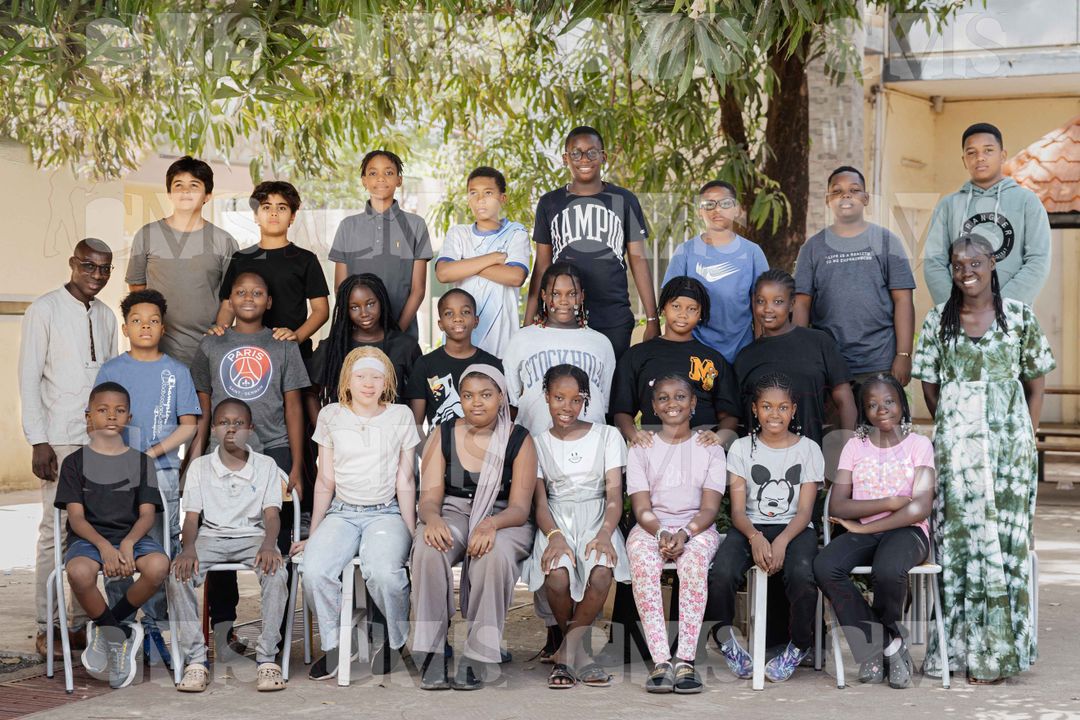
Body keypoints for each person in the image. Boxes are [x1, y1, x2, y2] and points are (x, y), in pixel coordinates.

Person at [912, 233, 1054, 683]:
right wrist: (957, 424)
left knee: (1005, 544)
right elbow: (930, 386)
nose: (966, 271)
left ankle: (998, 654)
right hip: (956, 451)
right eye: (958, 265)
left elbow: (1035, 383)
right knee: (959, 544)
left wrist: (1025, 434)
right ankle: (956, 652)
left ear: (992, 263)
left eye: (975, 262)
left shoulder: (1020, 316)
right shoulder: (937, 319)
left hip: (1010, 450)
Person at [190, 271, 309, 642]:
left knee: (279, 540)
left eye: (257, 292)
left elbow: (294, 407)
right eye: (240, 292)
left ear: (268, 301)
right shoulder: (211, 344)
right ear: (229, 300)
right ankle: (224, 627)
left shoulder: (283, 344)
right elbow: (203, 409)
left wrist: (298, 464)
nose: (248, 298)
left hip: (274, 447)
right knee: (218, 532)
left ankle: (279, 631)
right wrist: (193, 458)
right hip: (220, 453)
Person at [288, 347, 418, 680]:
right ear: (348, 380)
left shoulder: (400, 415)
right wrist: (314, 534)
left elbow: (405, 480)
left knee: (384, 573)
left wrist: (411, 532)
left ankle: (394, 641)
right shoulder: (331, 415)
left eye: (376, 376)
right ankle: (335, 645)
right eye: (360, 376)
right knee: (314, 570)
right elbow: (325, 480)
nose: (368, 383)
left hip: (385, 512)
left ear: (387, 381)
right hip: (342, 512)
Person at [20, 238, 118, 657]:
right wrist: (38, 440)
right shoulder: (43, 310)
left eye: (104, 268)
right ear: (73, 264)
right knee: (55, 531)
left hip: (98, 438)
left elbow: (111, 381)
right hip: (57, 437)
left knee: (90, 527)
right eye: (88, 266)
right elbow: (28, 378)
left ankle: (79, 625)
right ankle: (49, 625)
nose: (96, 275)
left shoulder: (107, 315)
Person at [411, 366, 537, 691]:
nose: (476, 402)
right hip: (452, 512)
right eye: (468, 395)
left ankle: (479, 654)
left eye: (486, 395)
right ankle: (433, 651)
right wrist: (432, 519)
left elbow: (520, 508)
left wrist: (491, 524)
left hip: (503, 517)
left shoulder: (519, 439)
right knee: (428, 548)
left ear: (501, 398)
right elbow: (429, 499)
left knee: (493, 556)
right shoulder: (443, 433)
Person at [95, 289, 199, 667]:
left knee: (160, 547)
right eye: (136, 321)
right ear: (125, 328)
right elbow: (98, 419)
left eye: (153, 321)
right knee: (118, 545)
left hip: (162, 473)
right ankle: (120, 626)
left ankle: (158, 627)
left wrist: (150, 454)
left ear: (163, 328)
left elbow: (188, 425)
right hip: (115, 475)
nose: (145, 327)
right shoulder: (111, 371)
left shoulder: (177, 371)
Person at [814, 374, 935, 690]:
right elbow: (838, 505)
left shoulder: (919, 445)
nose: (882, 409)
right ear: (863, 411)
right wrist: (891, 502)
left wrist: (868, 524)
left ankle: (881, 648)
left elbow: (920, 508)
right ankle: (885, 645)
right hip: (864, 531)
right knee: (825, 566)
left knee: (889, 569)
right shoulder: (855, 447)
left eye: (889, 401)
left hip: (908, 532)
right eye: (872, 404)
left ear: (902, 404)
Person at [706, 372, 824, 684]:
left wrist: (782, 540)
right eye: (767, 406)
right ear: (755, 409)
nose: (775, 414)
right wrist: (755, 536)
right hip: (750, 525)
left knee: (802, 575)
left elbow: (805, 511)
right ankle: (725, 639)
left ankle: (798, 645)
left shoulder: (809, 449)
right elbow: (737, 510)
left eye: (782, 407)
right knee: (721, 573)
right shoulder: (741, 448)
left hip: (795, 527)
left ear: (793, 410)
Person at [169, 398, 289, 693]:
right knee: (177, 575)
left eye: (238, 423)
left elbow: (271, 515)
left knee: (277, 573)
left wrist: (269, 545)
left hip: (253, 537)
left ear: (251, 428)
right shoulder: (200, 467)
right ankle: (196, 660)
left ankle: (267, 658)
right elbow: (192, 518)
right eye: (224, 423)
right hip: (210, 537)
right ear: (213, 429)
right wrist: (188, 548)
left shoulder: (266, 465)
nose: (231, 429)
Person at [522, 365, 629, 689]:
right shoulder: (536, 443)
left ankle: (567, 652)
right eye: (559, 398)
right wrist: (554, 537)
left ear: (586, 400)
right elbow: (540, 503)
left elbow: (614, 496)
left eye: (576, 399)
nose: (567, 407)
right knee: (557, 573)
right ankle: (578, 652)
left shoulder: (607, 435)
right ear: (546, 397)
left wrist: (605, 533)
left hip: (598, 517)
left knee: (601, 570)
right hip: (556, 520)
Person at [55, 382, 169, 689]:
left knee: (158, 566)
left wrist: (128, 542)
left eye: (119, 411)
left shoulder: (141, 462)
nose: (111, 416)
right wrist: (104, 547)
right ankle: (117, 635)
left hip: (133, 537)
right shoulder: (74, 463)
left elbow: (147, 515)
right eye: (102, 410)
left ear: (128, 417)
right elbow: (76, 518)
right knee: (79, 573)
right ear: (88, 416)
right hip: (89, 539)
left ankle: (109, 626)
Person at [624, 375, 725, 694]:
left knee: (693, 563)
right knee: (642, 560)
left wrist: (685, 533)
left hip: (697, 527)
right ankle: (660, 661)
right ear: (653, 407)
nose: (672, 404)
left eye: (680, 396)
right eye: (663, 398)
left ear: (693, 403)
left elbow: (710, 509)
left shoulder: (709, 447)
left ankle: (685, 660)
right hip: (651, 527)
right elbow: (641, 508)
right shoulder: (642, 447)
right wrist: (661, 533)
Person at [526, 126, 659, 358]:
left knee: (610, 378)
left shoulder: (624, 200)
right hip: (562, 316)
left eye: (592, 152)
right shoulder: (550, 202)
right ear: (566, 158)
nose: (584, 159)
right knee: (565, 378)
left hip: (613, 316)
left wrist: (652, 318)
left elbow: (638, 261)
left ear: (603, 156)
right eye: (576, 153)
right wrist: (529, 319)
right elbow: (542, 266)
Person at [793, 166, 916, 386]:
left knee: (881, 410)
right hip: (829, 362)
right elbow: (801, 304)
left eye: (854, 190)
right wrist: (801, 356)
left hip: (880, 360)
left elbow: (903, 300)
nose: (846, 196)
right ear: (828, 200)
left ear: (866, 198)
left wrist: (904, 354)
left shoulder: (888, 241)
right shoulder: (812, 248)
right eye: (837, 191)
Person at [125, 156, 238, 366]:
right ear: (169, 193)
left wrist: (218, 335)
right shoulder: (147, 235)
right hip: (156, 352)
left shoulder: (225, 241)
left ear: (207, 195)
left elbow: (230, 299)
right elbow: (137, 288)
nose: (185, 191)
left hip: (206, 352)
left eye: (194, 185)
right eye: (178, 185)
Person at [923, 122, 1051, 306]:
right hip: (959, 314)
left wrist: (1001, 308)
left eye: (988, 150)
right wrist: (956, 307)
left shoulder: (1027, 202)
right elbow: (933, 261)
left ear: (1003, 155)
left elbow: (1038, 260)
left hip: (1010, 316)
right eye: (971, 152)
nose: (980, 158)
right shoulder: (948, 205)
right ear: (964, 160)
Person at [612, 275, 740, 444]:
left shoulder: (713, 359)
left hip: (702, 451)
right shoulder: (637, 355)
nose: (683, 314)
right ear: (663, 309)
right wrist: (634, 434)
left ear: (701, 314)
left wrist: (719, 437)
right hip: (653, 449)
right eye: (676, 306)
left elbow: (729, 415)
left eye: (692, 309)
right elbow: (621, 411)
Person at [734, 269, 856, 446]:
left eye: (778, 302)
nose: (767, 309)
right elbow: (738, 417)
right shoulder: (745, 357)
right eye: (761, 301)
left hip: (812, 456)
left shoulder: (819, 342)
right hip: (761, 459)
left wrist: (850, 451)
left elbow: (844, 400)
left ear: (792, 304)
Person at [215, 181, 330, 360]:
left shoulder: (306, 259)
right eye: (266, 207)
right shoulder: (240, 259)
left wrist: (296, 337)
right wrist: (221, 335)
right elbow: (228, 307)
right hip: (248, 352)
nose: (274, 213)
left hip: (293, 355)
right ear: (256, 215)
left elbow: (321, 310)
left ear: (292, 217)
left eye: (282, 208)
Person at [328, 150, 433, 339]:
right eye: (373, 173)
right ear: (364, 181)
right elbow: (340, 289)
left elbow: (418, 290)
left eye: (389, 172)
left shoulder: (416, 225)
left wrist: (395, 335)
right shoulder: (348, 226)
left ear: (399, 180)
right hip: (357, 337)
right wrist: (362, 332)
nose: (381, 178)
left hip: (402, 337)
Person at [504, 262, 616, 435]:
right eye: (556, 294)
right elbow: (512, 401)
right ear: (544, 295)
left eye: (572, 294)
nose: (564, 301)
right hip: (534, 441)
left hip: (589, 442)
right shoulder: (522, 339)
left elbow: (605, 401)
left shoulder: (601, 343)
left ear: (582, 296)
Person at [663, 180, 769, 364]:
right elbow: (670, 304)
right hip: (695, 354)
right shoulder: (685, 252)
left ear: (737, 209)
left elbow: (760, 304)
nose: (717, 209)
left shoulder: (752, 252)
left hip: (741, 351)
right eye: (709, 204)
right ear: (700, 211)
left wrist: (759, 350)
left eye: (725, 203)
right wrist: (674, 353)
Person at [435, 167, 530, 357]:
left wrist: (464, 264)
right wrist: (492, 258)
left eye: (488, 193)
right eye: (473, 193)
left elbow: (515, 277)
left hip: (502, 343)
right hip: (460, 342)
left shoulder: (515, 233)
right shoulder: (458, 233)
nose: (480, 199)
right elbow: (443, 273)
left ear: (502, 198)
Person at [314, 273, 422, 405]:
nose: (364, 313)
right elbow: (310, 392)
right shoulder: (331, 347)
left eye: (370, 304)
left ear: (381, 302)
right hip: (344, 419)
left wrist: (411, 419)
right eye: (354, 307)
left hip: (395, 418)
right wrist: (322, 418)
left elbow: (420, 393)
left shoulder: (405, 345)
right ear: (346, 310)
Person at [404, 289, 502, 428]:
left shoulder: (492, 364)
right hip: (439, 441)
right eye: (449, 313)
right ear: (440, 324)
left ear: (476, 321)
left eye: (465, 312)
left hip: (483, 440)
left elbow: (501, 417)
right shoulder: (425, 364)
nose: (458, 318)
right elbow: (416, 425)